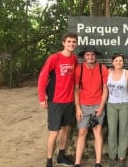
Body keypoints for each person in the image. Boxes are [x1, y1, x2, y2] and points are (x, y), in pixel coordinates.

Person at [37, 32, 78, 167]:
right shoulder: (54, 58)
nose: (71, 44)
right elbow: (42, 77)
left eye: (74, 42)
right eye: (69, 41)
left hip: (69, 101)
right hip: (55, 101)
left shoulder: (74, 59)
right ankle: (49, 161)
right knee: (54, 132)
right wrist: (42, 98)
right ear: (63, 43)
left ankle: (61, 156)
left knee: (65, 130)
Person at [74, 45, 108, 167]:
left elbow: (105, 88)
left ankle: (98, 162)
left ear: (95, 56)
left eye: (92, 55)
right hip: (83, 105)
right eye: (88, 55)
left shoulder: (102, 68)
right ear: (84, 56)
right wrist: (77, 107)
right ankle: (77, 163)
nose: (90, 57)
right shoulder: (79, 69)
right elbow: (76, 89)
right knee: (82, 132)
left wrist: (102, 106)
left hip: (98, 105)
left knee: (97, 132)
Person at [106, 53, 128, 167]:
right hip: (111, 104)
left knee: (124, 131)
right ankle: (112, 157)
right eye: (116, 61)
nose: (118, 63)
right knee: (112, 131)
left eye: (120, 61)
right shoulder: (108, 72)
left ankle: (121, 157)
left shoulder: (127, 73)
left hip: (124, 104)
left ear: (123, 62)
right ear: (112, 62)